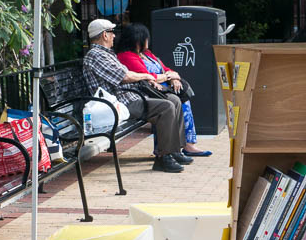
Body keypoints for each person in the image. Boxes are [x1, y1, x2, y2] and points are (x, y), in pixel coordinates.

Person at [82, 18, 189, 173]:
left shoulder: (107, 54)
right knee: (166, 107)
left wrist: (145, 77)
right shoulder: (96, 56)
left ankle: (174, 151)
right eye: (112, 33)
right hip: (118, 103)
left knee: (174, 99)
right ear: (104, 35)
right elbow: (124, 76)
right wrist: (146, 76)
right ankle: (163, 158)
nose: (114, 36)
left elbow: (128, 73)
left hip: (129, 97)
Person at [113, 23, 211, 157]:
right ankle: (171, 149)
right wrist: (167, 76)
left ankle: (183, 146)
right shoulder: (127, 56)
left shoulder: (146, 54)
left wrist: (173, 78)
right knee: (172, 103)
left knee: (181, 99)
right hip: (150, 91)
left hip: (163, 87)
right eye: (146, 38)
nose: (148, 41)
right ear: (137, 39)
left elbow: (165, 68)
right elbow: (147, 76)